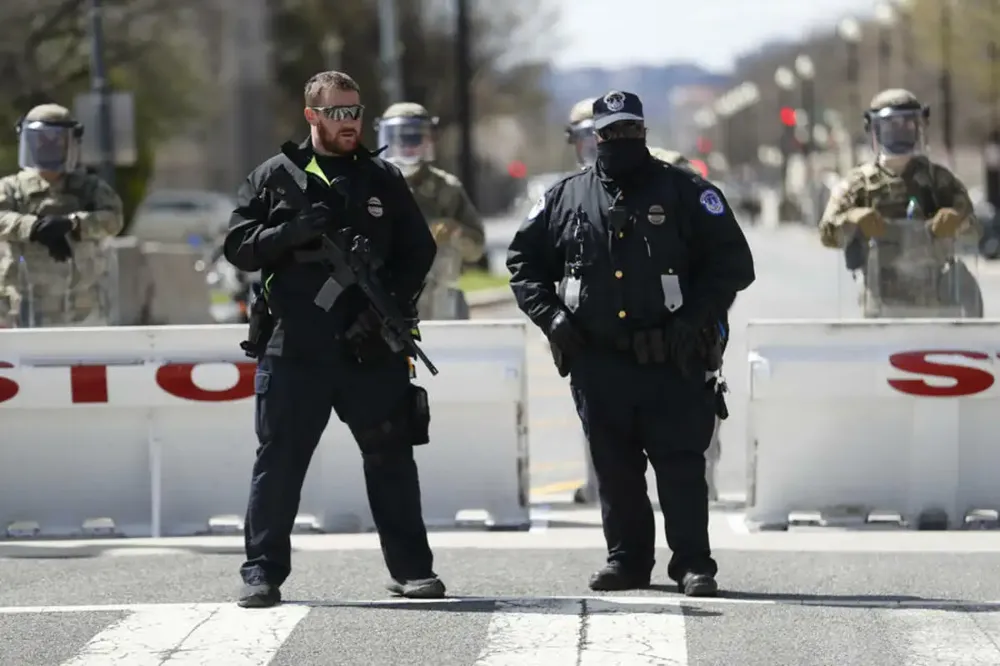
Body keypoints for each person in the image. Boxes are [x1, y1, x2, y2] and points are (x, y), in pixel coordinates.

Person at [507, 91, 755, 597]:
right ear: (595, 137)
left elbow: (733, 264)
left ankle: (692, 563)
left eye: (629, 131)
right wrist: (551, 317)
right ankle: (627, 560)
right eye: (610, 133)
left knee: (682, 467)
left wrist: (697, 316)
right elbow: (523, 265)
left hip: (673, 359)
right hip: (599, 363)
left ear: (643, 133)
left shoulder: (685, 190)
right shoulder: (564, 198)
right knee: (616, 471)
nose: (620, 140)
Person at [223, 70, 443, 608]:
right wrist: (290, 232)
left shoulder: (382, 178)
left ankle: (413, 570)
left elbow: (419, 252)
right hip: (294, 348)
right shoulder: (275, 177)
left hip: (368, 350)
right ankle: (262, 573)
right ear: (312, 116)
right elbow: (237, 247)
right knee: (279, 462)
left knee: (391, 458)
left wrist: (386, 307)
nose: (350, 122)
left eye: (356, 111)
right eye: (338, 112)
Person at [818, 89, 981, 316]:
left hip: (936, 301)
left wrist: (956, 220)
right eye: (890, 125)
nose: (899, 132)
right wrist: (852, 219)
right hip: (879, 300)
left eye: (908, 124)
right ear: (874, 129)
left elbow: (974, 226)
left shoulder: (938, 180)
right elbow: (827, 231)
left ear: (919, 126)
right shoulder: (858, 184)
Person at [0, 103, 123, 327]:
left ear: (70, 144)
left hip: (80, 310)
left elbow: (113, 219)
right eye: (41, 140)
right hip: (19, 309)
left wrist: (74, 224)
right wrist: (32, 228)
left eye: (56, 140)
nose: (48, 147)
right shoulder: (11, 188)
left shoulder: (89, 187)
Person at [374, 102, 484, 319]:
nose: (407, 146)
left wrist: (456, 232)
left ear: (428, 139)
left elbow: (476, 249)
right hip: (385, 307)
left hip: (440, 306)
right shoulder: (371, 185)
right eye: (399, 138)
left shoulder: (447, 189)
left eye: (415, 138)